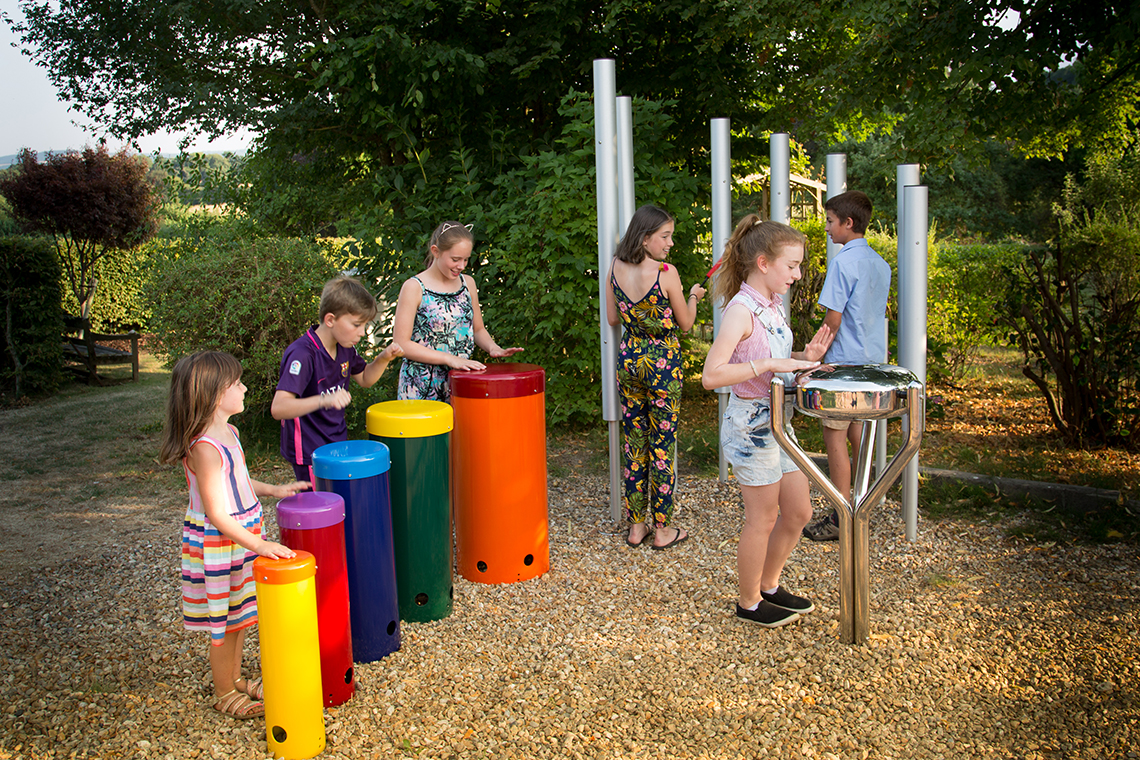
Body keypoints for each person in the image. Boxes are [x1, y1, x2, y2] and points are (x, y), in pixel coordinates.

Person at [159, 351, 311, 719]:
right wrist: (259, 544)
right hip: (220, 541)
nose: (244, 388)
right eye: (237, 383)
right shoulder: (205, 449)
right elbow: (215, 512)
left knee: (241, 615)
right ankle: (224, 691)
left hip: (240, 538)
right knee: (225, 624)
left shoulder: (230, 432)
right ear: (213, 395)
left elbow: (238, 481)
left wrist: (273, 490)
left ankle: (236, 677)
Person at [701, 216, 832, 628]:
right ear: (763, 263)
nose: (797, 274)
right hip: (750, 426)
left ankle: (769, 586)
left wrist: (805, 363)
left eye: (798, 266)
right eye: (791, 265)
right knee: (763, 518)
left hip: (777, 421)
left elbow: (777, 369)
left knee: (798, 512)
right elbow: (711, 376)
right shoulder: (740, 311)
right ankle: (749, 601)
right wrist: (769, 362)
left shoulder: (771, 305)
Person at [606, 205, 706, 550]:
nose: (670, 243)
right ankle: (662, 529)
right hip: (662, 363)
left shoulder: (614, 268)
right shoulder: (666, 273)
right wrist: (694, 295)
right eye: (665, 236)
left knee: (636, 442)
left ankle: (637, 526)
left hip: (629, 359)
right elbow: (687, 322)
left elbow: (612, 319)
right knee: (662, 446)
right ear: (645, 237)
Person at [803, 191, 892, 542]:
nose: (826, 228)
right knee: (860, 434)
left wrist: (815, 356)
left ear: (847, 223)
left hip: (843, 362)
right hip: (873, 360)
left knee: (834, 434)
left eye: (829, 221)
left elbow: (833, 319)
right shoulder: (879, 263)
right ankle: (862, 505)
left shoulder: (843, 262)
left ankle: (842, 515)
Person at [271, 276, 403, 482]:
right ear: (330, 319)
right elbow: (279, 408)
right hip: (309, 450)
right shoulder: (303, 354)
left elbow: (366, 379)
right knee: (320, 509)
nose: (362, 332)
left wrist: (384, 358)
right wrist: (323, 400)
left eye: (365, 325)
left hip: (336, 443)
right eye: (357, 324)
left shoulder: (345, 347)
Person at [393, 221, 522, 402]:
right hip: (420, 385)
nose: (461, 265)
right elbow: (401, 344)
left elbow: (477, 330)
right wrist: (449, 359)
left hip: (460, 382)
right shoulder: (414, 287)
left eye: (466, 259)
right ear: (436, 251)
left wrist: (493, 348)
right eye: (455, 259)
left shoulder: (468, 283)